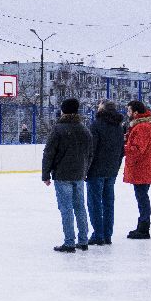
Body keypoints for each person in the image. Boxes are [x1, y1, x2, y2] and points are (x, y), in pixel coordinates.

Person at [41, 97, 92, 253]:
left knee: (66, 208)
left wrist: (45, 174)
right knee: (80, 207)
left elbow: (49, 153)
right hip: (79, 175)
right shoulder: (84, 129)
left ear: (63, 111)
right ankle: (83, 241)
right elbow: (90, 154)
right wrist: (85, 171)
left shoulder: (58, 129)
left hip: (63, 175)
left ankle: (69, 242)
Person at [85, 101, 125, 245]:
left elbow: (91, 150)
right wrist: (116, 167)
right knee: (108, 203)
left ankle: (98, 234)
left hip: (96, 170)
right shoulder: (119, 127)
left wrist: (86, 169)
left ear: (102, 109)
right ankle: (107, 234)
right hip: (111, 170)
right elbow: (122, 151)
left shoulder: (96, 125)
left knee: (95, 203)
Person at [123, 100, 151, 240]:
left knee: (142, 197)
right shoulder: (143, 126)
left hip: (141, 169)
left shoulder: (142, 127)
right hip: (143, 168)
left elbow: (137, 150)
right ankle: (142, 226)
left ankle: (144, 228)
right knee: (142, 197)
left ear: (136, 112)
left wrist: (123, 147)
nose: (128, 113)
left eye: (129, 111)